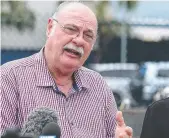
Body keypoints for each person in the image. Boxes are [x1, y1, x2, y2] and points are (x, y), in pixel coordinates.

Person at [0, 2, 132, 138]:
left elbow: (116, 133)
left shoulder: (98, 86)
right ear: (50, 27)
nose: (79, 40)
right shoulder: (9, 78)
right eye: (71, 29)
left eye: (88, 35)